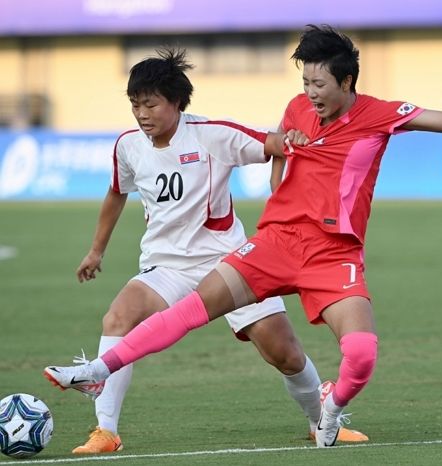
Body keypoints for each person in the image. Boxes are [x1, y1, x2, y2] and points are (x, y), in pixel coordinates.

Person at [44, 25, 442, 448]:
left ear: (347, 82)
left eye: (319, 84)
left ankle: (328, 414)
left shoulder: (379, 116)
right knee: (167, 313)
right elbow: (281, 149)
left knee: (313, 354)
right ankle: (99, 383)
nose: (309, 95)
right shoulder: (293, 110)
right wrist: (279, 178)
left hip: (330, 252)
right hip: (270, 244)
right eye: (305, 84)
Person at [43, 47, 367, 454]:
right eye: (134, 105)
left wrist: (295, 143)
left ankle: (322, 423)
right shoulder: (128, 146)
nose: (142, 114)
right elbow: (115, 193)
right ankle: (105, 431)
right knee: (118, 316)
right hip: (166, 266)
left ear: (177, 102)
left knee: (284, 353)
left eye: (150, 104)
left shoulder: (213, 134)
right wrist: (96, 251)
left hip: (230, 263)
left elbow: (277, 145)